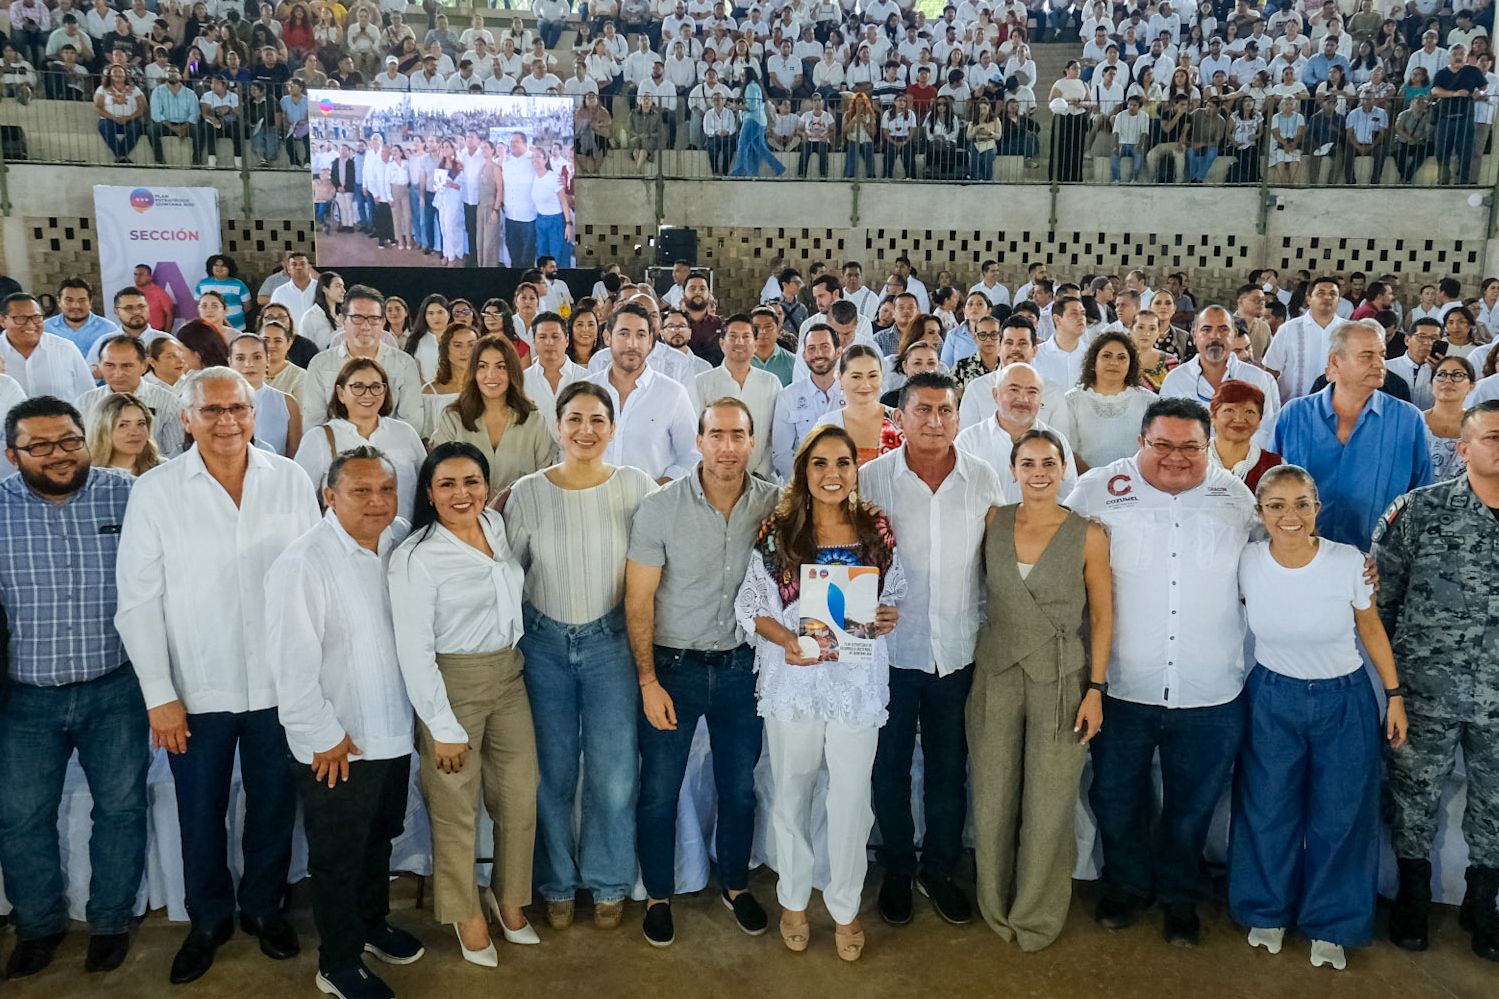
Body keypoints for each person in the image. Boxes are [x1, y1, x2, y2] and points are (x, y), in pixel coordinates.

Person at [115, 367, 320, 985]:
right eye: (212, 410)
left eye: (238, 408)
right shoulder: (156, 491)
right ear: (186, 418)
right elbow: (138, 602)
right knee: (200, 810)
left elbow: (313, 579)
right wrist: (159, 695)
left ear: (254, 415)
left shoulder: (289, 480)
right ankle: (207, 919)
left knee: (274, 804)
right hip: (196, 686)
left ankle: (263, 906)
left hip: (278, 683)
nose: (227, 421)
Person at [1066, 397, 1257, 946]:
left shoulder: (1235, 497)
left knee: (1192, 805)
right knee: (1115, 796)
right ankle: (1127, 886)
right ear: (1140, 442)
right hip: (1121, 686)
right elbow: (1055, 552)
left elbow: (1276, 559)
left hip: (1211, 689)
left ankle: (1179, 897)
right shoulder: (1096, 490)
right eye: (1163, 445)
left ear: (1208, 446)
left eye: (1191, 447)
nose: (1177, 457)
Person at [735, 425, 905, 961]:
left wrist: (887, 615)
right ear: (803, 470)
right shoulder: (780, 530)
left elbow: (892, 596)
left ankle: (846, 906)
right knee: (791, 790)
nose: (832, 474)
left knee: (851, 798)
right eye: (820, 463)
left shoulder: (874, 529)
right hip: (796, 683)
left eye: (843, 463)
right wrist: (786, 640)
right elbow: (751, 607)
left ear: (856, 469)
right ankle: (792, 900)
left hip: (856, 684)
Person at [263, 447, 426, 999]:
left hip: (393, 731)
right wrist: (322, 737)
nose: (377, 501)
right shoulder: (304, 563)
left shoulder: (399, 541)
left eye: (386, 489)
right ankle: (337, 961)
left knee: (380, 839)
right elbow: (290, 666)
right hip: (339, 743)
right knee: (337, 857)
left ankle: (372, 924)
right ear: (329, 496)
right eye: (361, 491)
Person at [1231, 464, 1408, 972]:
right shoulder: (1246, 561)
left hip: (1343, 699)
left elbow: (1369, 627)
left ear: (1317, 509)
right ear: (1260, 512)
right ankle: (1266, 911)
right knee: (1267, 808)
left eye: (1302, 504)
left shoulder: (1347, 562)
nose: (1290, 516)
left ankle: (1333, 924)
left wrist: (1394, 694)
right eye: (1276, 506)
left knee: (1341, 815)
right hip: (1272, 697)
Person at [0, 396, 147, 979]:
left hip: (115, 686)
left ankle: (110, 920)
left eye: (68, 440)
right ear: (12, 455)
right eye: (39, 446)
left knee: (122, 808)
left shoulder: (126, 495)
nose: (58, 454)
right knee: (21, 818)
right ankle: (38, 926)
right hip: (24, 696)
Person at [625, 398, 780, 947]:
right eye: (717, 435)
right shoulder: (660, 507)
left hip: (742, 668)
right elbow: (638, 600)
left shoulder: (775, 504)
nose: (727, 447)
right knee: (659, 791)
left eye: (738, 436)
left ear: (753, 442)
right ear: (699, 441)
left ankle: (735, 884)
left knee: (739, 789)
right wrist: (648, 681)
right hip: (674, 668)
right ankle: (658, 894)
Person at [506, 382, 657, 931]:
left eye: (597, 420)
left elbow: (653, 570)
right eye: (574, 419)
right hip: (543, 643)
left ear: (613, 429)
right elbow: (508, 575)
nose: (585, 430)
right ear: (557, 426)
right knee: (552, 773)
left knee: (614, 774)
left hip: (611, 644)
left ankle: (609, 879)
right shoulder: (528, 492)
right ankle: (557, 882)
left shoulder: (636, 487)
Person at [860, 371, 1004, 927]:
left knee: (949, 768)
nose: (935, 421)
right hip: (890, 651)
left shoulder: (983, 477)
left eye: (946, 410)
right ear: (899, 418)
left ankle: (939, 869)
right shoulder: (871, 479)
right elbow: (847, 555)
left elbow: (996, 560)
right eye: (922, 410)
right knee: (889, 767)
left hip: (958, 650)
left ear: (959, 417)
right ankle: (898, 867)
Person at [388, 442, 540, 965]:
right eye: (447, 484)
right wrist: (441, 726)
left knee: (519, 794)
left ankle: (509, 897)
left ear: (486, 486)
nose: (461, 493)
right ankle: (464, 912)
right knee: (455, 807)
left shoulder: (495, 526)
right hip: (451, 685)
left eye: (472, 481)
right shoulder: (415, 557)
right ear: (429, 494)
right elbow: (414, 652)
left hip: (509, 675)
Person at [969, 428, 1112, 951]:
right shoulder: (993, 521)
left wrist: (1096, 688)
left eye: (1049, 463)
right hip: (996, 671)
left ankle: (1035, 914)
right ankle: (994, 902)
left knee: (1050, 800)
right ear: (1012, 470)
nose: (1038, 473)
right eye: (1027, 463)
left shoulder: (1088, 534)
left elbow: (1102, 616)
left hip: (1061, 678)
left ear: (1063, 469)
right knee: (992, 794)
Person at [1373, 400, 1499, 963]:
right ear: (1463, 449)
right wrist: (1395, 685)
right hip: (1427, 687)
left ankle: (1483, 901)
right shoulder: (1419, 511)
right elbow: (1381, 603)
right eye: (1493, 437)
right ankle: (1413, 895)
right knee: (1413, 793)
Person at [1273, 321, 1432, 550]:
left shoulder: (1407, 420)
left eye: (1382, 355)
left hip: (1376, 559)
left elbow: (1422, 497)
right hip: (1300, 554)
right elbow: (1272, 486)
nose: (1379, 364)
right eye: (1366, 356)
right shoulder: (1295, 415)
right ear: (1335, 362)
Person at [293, 357, 426, 521]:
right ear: (341, 393)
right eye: (358, 387)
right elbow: (298, 498)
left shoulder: (405, 433)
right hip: (343, 536)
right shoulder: (318, 438)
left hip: (405, 535)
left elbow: (427, 485)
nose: (368, 394)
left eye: (376, 387)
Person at [586, 303, 699, 482]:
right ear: (607, 337)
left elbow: (692, 456)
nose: (632, 344)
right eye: (624, 334)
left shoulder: (673, 394)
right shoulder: (586, 391)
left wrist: (658, 489)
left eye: (641, 335)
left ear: (651, 341)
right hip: (592, 496)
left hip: (655, 498)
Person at [431, 334, 554, 494]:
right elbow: (440, 477)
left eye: (500, 367)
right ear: (473, 371)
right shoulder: (453, 417)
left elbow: (545, 482)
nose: (491, 375)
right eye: (483, 366)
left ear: (512, 372)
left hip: (523, 508)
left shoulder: (534, 420)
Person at [300, 285, 424, 430]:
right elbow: (313, 423)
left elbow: (411, 423)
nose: (366, 327)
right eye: (357, 318)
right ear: (343, 320)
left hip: (391, 442)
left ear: (383, 322)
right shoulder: (320, 364)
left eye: (373, 318)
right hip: (334, 442)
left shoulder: (404, 364)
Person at [956, 362, 1079, 502]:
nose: (1023, 399)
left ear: (1041, 398)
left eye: (1032, 392)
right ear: (996, 395)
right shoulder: (969, 440)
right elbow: (958, 496)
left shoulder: (1057, 441)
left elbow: (1069, 497)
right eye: (1014, 390)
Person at [689, 315, 782, 480]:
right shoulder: (701, 383)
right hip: (714, 478)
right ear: (722, 343)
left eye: (746, 337)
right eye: (732, 336)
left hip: (763, 480)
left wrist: (762, 473)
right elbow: (696, 433)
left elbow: (777, 435)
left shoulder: (771, 382)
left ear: (755, 344)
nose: (739, 342)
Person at [1060, 333, 1157, 471]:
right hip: (1084, 481)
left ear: (1131, 364)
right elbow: (1067, 450)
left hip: (1137, 479)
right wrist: (1095, 479)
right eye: (1106, 356)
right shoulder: (1072, 401)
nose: (1114, 363)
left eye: (1122, 357)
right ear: (1093, 361)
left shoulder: (1149, 402)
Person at [770, 324, 843, 480]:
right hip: (801, 482)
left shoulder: (851, 394)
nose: (818, 354)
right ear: (804, 355)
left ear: (838, 351)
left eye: (824, 347)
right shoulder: (788, 396)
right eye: (811, 348)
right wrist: (807, 482)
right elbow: (782, 453)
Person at [813, 344, 903, 465]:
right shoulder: (827, 425)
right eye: (856, 377)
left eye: (872, 376)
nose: (865, 385)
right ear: (840, 378)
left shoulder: (899, 421)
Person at [1208, 379, 1282, 492]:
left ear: (1259, 420)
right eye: (1229, 410)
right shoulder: (1189, 458)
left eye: (1249, 412)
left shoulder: (1275, 466)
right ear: (1213, 417)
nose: (1239, 419)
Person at [84, 391, 162, 476]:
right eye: (123, 425)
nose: (135, 432)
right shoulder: (87, 475)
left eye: (141, 424)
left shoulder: (163, 469)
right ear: (103, 430)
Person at [1425, 355, 1475, 479]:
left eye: (1457, 375)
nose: (1448, 380)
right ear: (1431, 383)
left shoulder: (1479, 426)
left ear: (1471, 386)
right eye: (1441, 374)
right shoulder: (1414, 422)